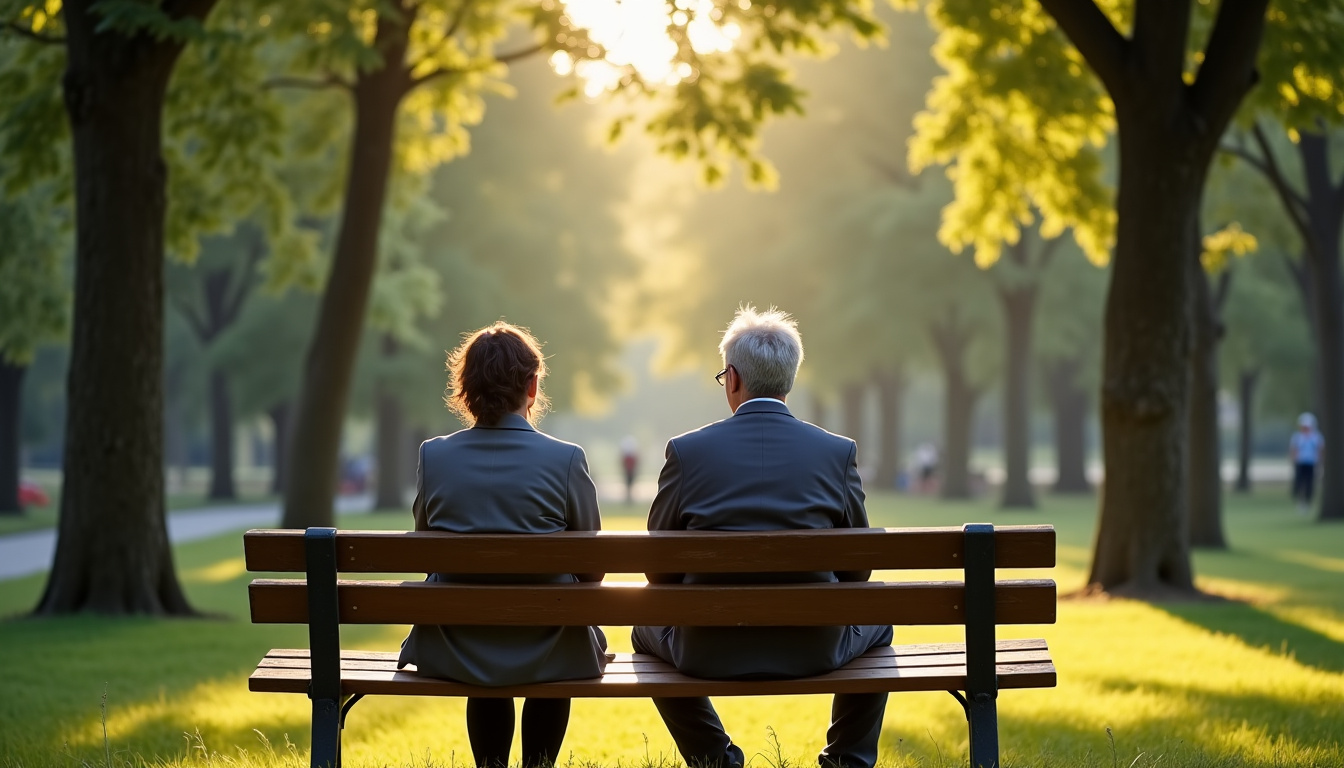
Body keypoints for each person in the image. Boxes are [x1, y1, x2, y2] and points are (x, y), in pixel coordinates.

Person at [632, 306, 893, 768]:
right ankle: (847, 760)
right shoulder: (836, 452)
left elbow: (658, 568)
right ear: (789, 378)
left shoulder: (687, 451)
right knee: (879, 616)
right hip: (816, 647)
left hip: (706, 649)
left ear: (732, 378)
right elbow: (858, 567)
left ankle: (714, 758)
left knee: (643, 631)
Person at [397, 321, 608, 768]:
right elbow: (592, 570)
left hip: (457, 644)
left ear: (466, 389)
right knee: (560, 634)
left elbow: (423, 548)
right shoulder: (566, 459)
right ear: (532, 386)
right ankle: (538, 765)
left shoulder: (434, 457)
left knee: (483, 636)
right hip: (552, 643)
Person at [1290, 412, 1325, 515]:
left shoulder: (1316, 437)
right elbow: (1293, 450)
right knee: (1300, 482)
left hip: (1311, 463)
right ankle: (1300, 501)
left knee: (1310, 483)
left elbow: (1320, 450)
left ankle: (1308, 501)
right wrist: (1293, 460)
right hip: (1300, 462)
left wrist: (1321, 462)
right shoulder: (1297, 437)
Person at [620, 435, 640, 503]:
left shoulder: (630, 456)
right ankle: (628, 498)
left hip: (630, 471)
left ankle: (629, 498)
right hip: (628, 471)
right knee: (628, 485)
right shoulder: (628, 456)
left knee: (630, 485)